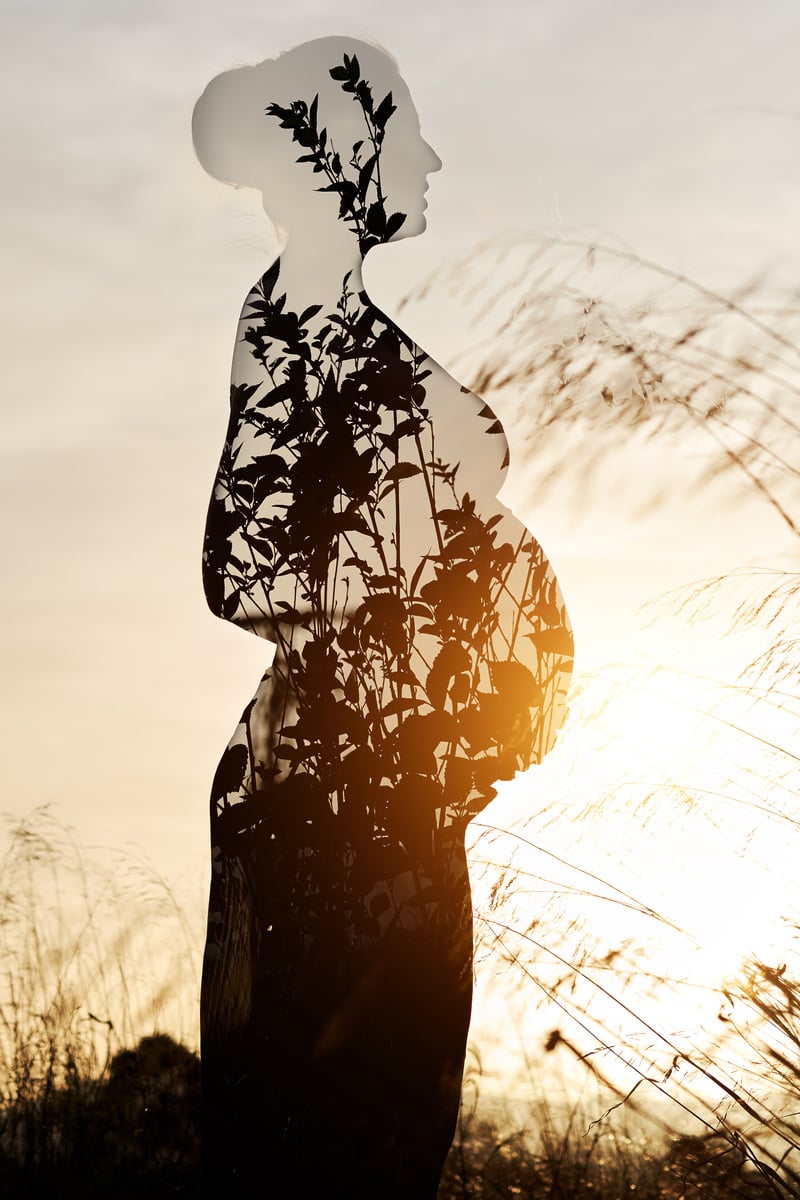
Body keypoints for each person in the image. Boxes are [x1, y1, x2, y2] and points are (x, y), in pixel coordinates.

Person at [193, 36, 572, 1199]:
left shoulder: (354, 330)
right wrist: (409, 612)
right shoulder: (295, 331)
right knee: (337, 1148)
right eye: (407, 135)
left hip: (400, 811)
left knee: (396, 1141)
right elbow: (238, 564)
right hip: (327, 815)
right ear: (343, 156)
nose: (432, 160)